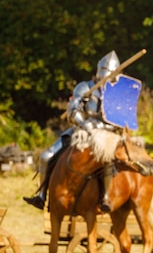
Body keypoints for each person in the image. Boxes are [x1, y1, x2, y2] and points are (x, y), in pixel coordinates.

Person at [23, 51, 122, 212]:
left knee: (109, 162)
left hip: (105, 135)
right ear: (99, 71)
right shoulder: (84, 87)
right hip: (81, 131)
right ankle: (41, 196)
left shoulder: (116, 94)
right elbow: (72, 111)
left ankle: (105, 198)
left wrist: (104, 129)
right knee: (45, 157)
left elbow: (118, 120)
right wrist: (85, 124)